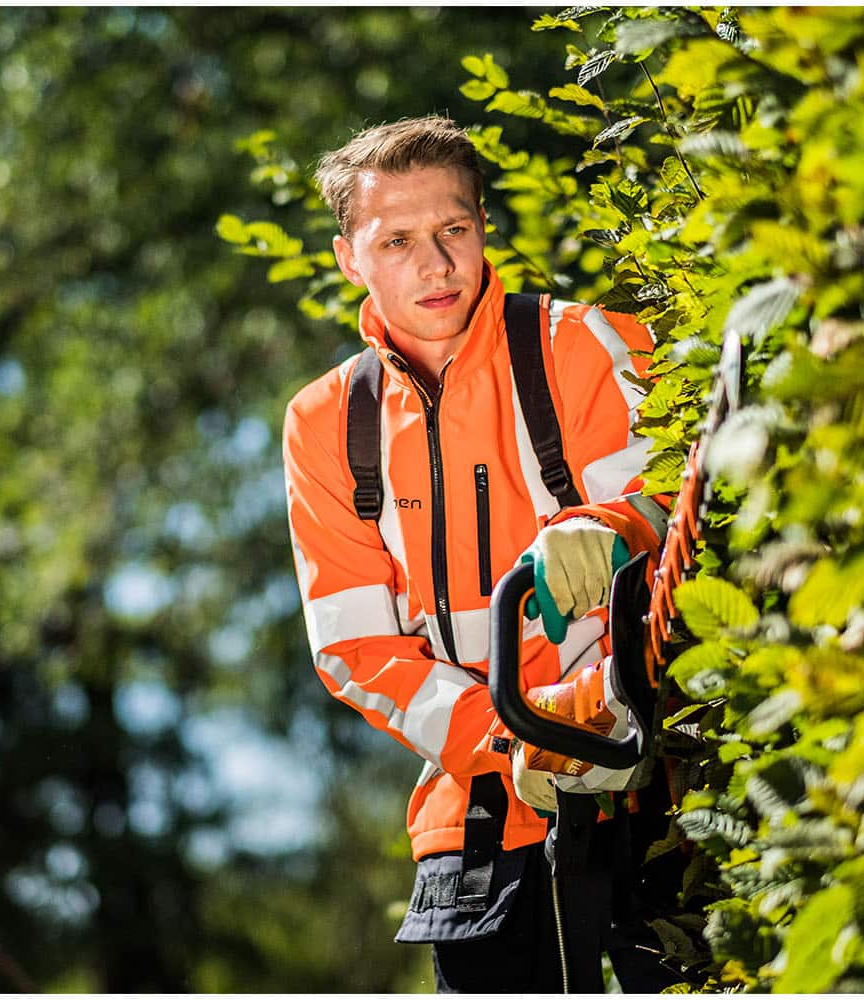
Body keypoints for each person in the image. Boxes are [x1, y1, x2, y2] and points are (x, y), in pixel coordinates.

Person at [283, 116, 679, 992]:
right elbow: (353, 646)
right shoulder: (325, 421)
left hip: (647, 784)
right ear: (352, 258)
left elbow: (673, 504)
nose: (435, 265)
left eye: (452, 230)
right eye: (398, 241)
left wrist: (613, 527)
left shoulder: (579, 343)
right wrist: (510, 742)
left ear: (482, 229)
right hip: (478, 819)